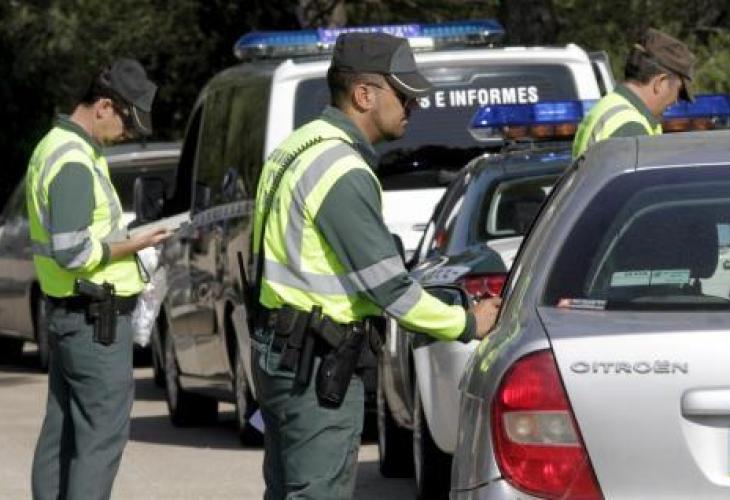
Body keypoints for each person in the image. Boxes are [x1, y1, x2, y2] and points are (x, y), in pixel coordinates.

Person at [251, 32, 502, 499]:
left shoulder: (296, 147)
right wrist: (467, 321)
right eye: (405, 96)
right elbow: (389, 289)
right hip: (317, 363)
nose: (414, 107)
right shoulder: (341, 169)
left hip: (280, 351)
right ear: (364, 95)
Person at [27, 58, 169, 500]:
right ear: (105, 106)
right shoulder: (72, 160)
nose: (127, 135)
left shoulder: (58, 147)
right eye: (127, 123)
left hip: (74, 316)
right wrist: (135, 244)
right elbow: (72, 251)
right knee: (99, 442)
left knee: (63, 436)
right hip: (95, 322)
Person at [572, 28, 696, 158]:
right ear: (660, 82)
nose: (676, 101)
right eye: (679, 91)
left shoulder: (608, 106)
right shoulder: (631, 129)